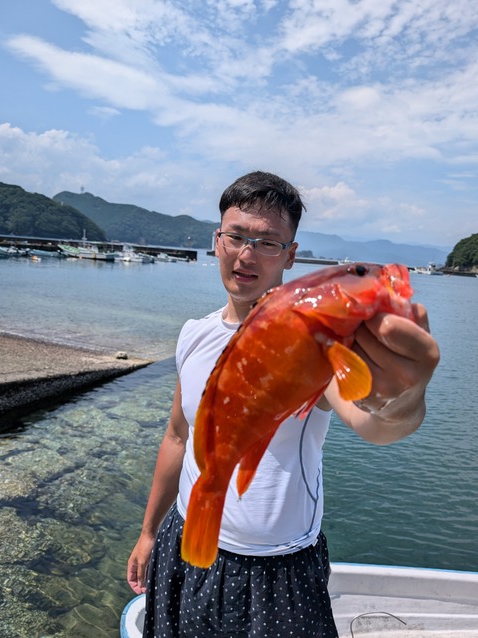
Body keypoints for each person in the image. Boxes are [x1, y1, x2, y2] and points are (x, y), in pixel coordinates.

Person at [127, 171, 440, 637]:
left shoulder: (318, 342)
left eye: (268, 242)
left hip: (279, 571)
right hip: (183, 536)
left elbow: (375, 423)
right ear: (217, 241)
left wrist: (404, 400)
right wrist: (149, 532)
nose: (246, 254)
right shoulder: (193, 334)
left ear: (291, 255)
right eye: (236, 236)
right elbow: (178, 436)